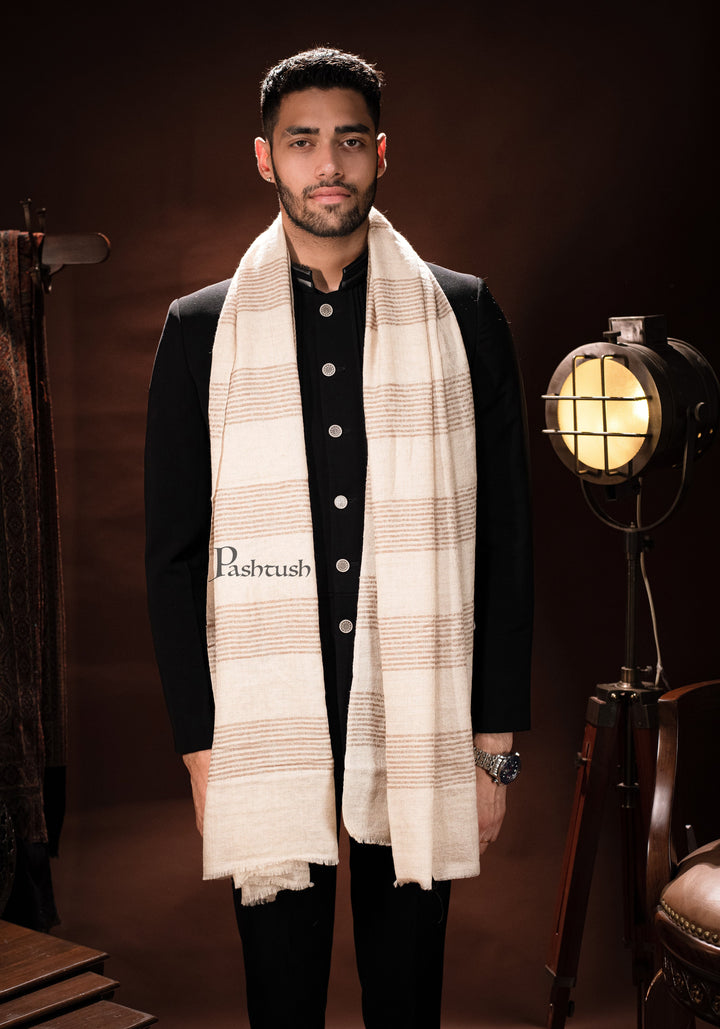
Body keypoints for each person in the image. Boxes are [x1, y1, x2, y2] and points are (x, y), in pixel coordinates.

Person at [145, 47, 532, 1029]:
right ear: (265, 158)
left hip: (419, 710)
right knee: (281, 1003)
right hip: (266, 723)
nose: (329, 165)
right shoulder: (201, 329)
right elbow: (172, 557)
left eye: (350, 142)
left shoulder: (462, 313)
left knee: (408, 1000)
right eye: (303, 142)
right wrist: (202, 750)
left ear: (381, 153)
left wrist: (493, 745)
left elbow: (505, 539)